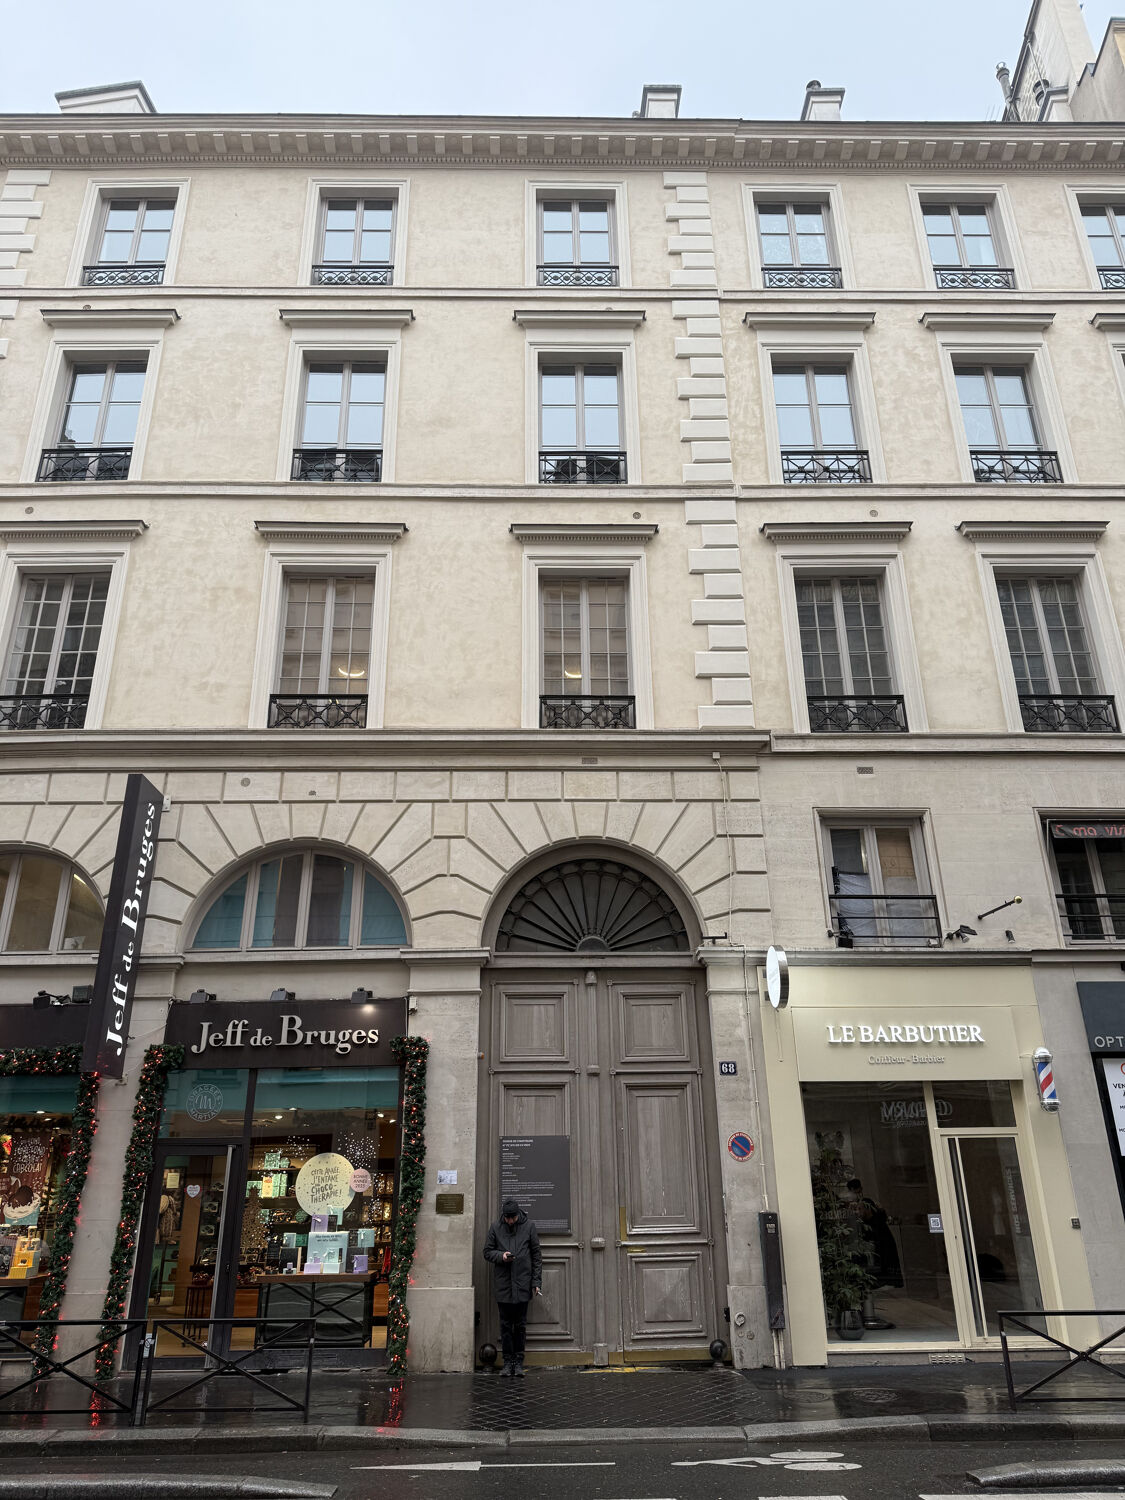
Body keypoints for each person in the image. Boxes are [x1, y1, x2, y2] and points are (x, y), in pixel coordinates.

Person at [483, 1197, 542, 1378]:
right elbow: (487, 1251)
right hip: (504, 1286)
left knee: (521, 1326)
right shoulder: (495, 1227)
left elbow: (536, 1256)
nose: (509, 1221)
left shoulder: (529, 1227)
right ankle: (508, 1362)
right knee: (506, 1326)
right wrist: (502, 1256)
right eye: (507, 1218)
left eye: (512, 1218)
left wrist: (536, 1282)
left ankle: (519, 1362)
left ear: (518, 1215)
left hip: (523, 1284)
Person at [845, 1177, 903, 1330]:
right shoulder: (874, 1222)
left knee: (866, 1283)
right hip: (877, 1257)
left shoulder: (873, 1225)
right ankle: (867, 1314)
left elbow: (873, 1245)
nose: (858, 1212)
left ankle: (868, 1315)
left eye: (860, 1209)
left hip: (876, 1259)